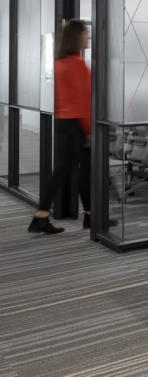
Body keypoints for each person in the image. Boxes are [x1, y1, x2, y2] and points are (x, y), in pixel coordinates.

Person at [28, 20, 93, 234]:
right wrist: (89, 130)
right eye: (85, 34)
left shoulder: (60, 63)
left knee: (62, 170)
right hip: (76, 123)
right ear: (77, 37)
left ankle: (41, 216)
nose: (88, 37)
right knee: (86, 170)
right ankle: (90, 218)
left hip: (63, 121)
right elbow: (83, 102)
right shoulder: (77, 64)